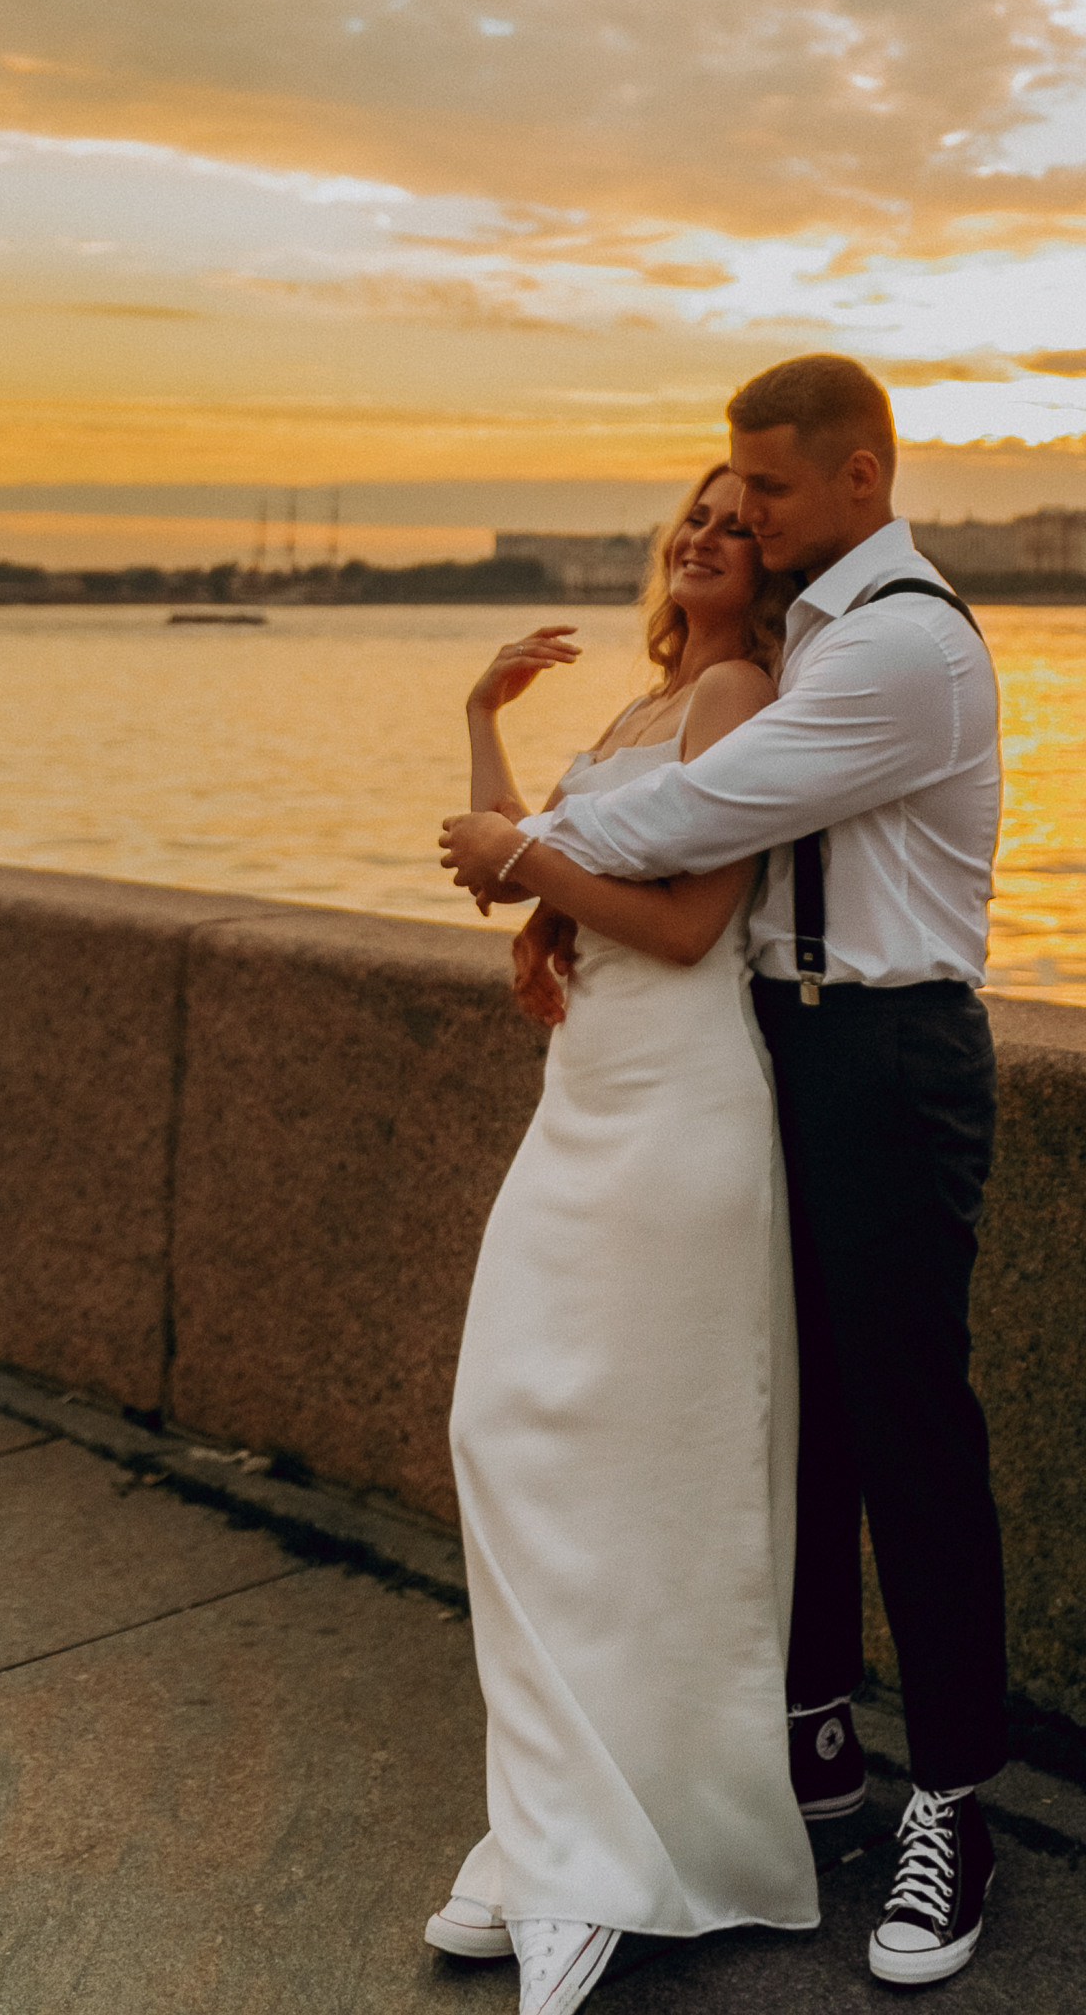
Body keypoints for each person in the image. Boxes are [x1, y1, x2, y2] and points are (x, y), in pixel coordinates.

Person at [444, 353, 1008, 1989]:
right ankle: (810, 1735)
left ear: (862, 476)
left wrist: (529, 864)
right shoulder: (816, 625)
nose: (739, 513)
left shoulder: (902, 648)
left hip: (890, 1054)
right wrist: (548, 885)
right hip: (776, 1044)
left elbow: (698, 817)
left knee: (908, 1420)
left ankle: (956, 1801)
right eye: (728, 488)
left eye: (765, 489)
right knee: (794, 1406)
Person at [426, 466, 817, 2015]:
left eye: (737, 518)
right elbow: (535, 862)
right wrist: (482, 720)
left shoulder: (741, 690)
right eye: (694, 515)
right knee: (508, 1433)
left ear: (768, 560)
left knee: (646, 1475)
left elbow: (682, 922)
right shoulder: (647, 705)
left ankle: (610, 1857)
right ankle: (551, 1821)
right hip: (580, 1100)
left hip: (679, 1109)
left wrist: (522, 863)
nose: (704, 532)